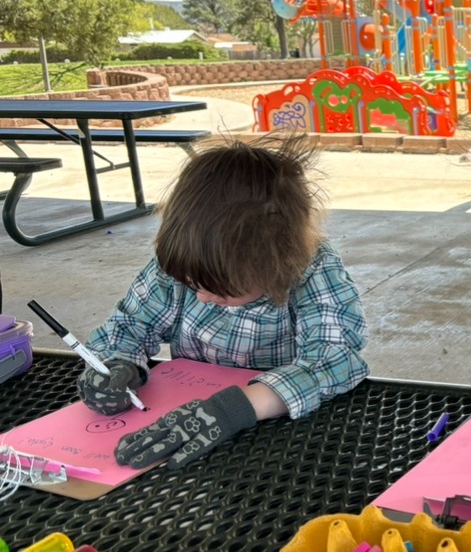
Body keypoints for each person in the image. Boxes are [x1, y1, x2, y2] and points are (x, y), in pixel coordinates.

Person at [79, 134, 369, 468]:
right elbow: (131, 325)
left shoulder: (311, 267)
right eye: (192, 284)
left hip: (286, 433)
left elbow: (336, 358)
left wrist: (235, 408)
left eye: (222, 290)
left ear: (277, 264)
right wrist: (117, 365)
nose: (201, 297)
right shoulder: (185, 263)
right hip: (190, 431)